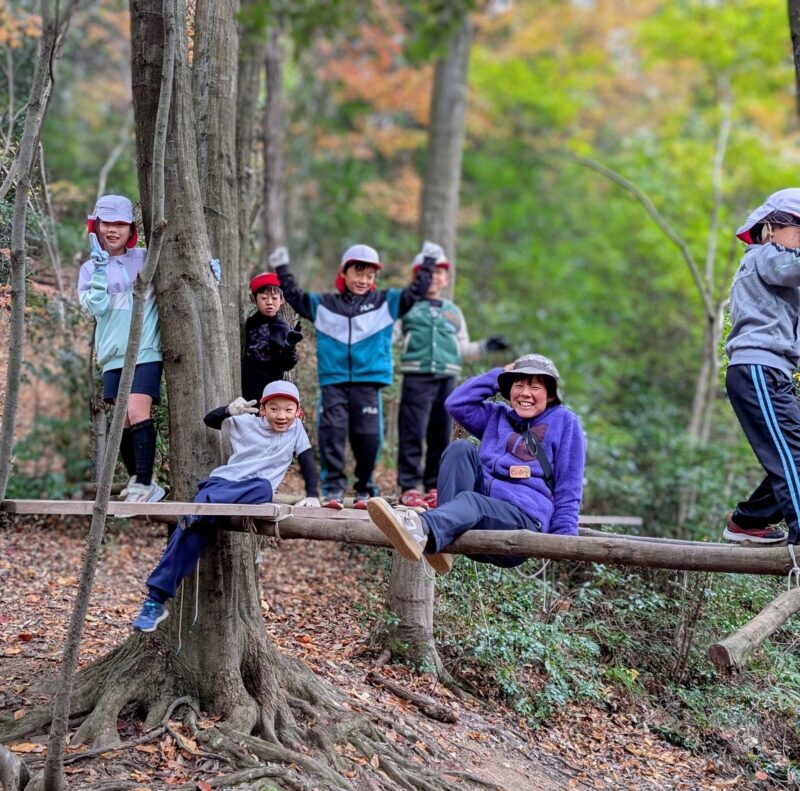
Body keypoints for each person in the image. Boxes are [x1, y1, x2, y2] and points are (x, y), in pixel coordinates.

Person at [367, 354, 586, 573]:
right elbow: (456, 403)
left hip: (523, 519)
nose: (525, 393)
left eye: (535, 387)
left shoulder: (565, 422)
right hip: (477, 510)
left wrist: (563, 540)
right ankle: (440, 537)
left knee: (473, 502)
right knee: (460, 449)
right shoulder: (497, 416)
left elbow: (569, 488)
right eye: (518, 385)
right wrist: (500, 373)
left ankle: (422, 528)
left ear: (549, 395)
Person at [132, 380, 320, 632]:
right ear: (263, 409)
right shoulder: (247, 423)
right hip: (221, 486)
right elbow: (209, 420)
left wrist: (313, 494)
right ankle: (154, 601)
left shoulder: (296, 430)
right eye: (274, 409)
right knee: (189, 537)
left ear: (298, 412)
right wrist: (229, 410)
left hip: (251, 493)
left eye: (288, 410)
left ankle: (197, 514)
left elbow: (308, 461)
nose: (281, 416)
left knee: (263, 488)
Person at [268, 242, 436, 510]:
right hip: (334, 380)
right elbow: (296, 297)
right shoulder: (325, 304)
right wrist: (282, 268)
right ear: (344, 273)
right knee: (331, 433)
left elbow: (414, 292)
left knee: (367, 436)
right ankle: (333, 487)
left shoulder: (386, 303)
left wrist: (428, 262)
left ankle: (365, 488)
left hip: (368, 380)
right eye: (358, 273)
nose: (364, 280)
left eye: (370, 275)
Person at [394, 249, 510, 509]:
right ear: (417, 278)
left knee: (440, 432)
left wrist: (486, 346)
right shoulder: (407, 307)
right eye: (427, 273)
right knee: (412, 430)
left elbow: (463, 349)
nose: (433, 278)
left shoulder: (453, 311)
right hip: (416, 376)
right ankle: (409, 486)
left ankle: (434, 485)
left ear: (446, 278)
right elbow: (389, 338)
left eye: (439, 273)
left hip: (446, 377)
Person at [723, 188, 800, 545]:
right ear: (770, 227)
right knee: (794, 456)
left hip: (771, 371)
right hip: (757, 368)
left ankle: (749, 521)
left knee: (792, 450)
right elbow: (788, 266)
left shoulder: (781, 268)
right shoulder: (765, 256)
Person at [78, 195, 165, 503]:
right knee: (123, 419)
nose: (112, 230)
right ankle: (135, 480)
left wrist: (209, 272)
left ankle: (146, 484)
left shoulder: (146, 257)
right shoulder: (89, 269)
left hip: (145, 349)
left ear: (131, 229)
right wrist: (101, 272)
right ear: (96, 226)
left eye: (120, 224)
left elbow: (183, 269)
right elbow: (94, 309)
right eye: (107, 223)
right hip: (112, 354)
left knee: (136, 410)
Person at [241, 271, 304, 403]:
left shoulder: (283, 328)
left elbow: (287, 365)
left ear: (282, 300)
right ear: (254, 300)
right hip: (246, 387)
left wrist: (289, 346)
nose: (269, 302)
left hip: (270, 390)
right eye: (264, 298)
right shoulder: (250, 323)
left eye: (274, 298)